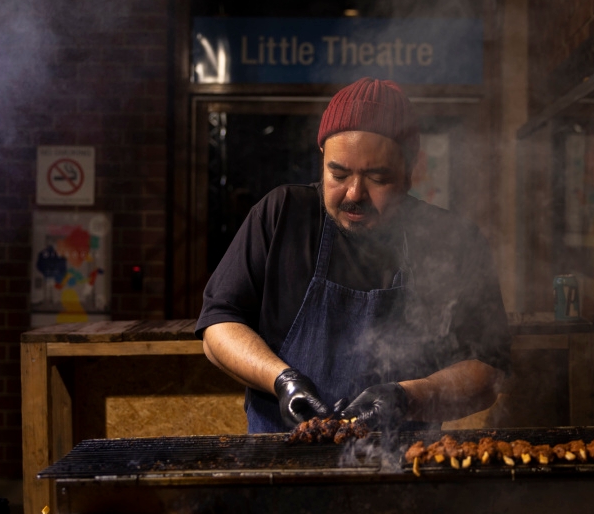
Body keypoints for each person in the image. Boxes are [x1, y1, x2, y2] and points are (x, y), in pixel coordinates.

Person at [196, 77, 511, 433]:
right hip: (280, 466)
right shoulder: (282, 215)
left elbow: (487, 371)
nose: (354, 193)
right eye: (339, 173)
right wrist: (282, 380)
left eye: (377, 178)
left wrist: (405, 398)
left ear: (410, 173)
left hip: (405, 471)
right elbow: (219, 326)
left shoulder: (454, 241)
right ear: (322, 161)